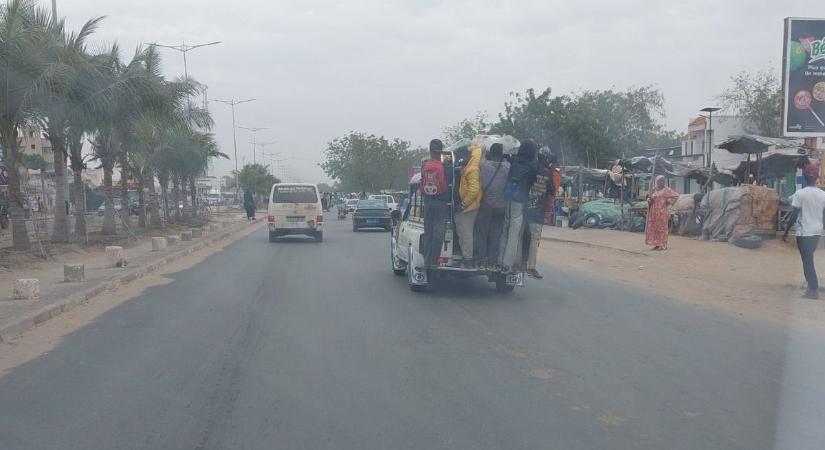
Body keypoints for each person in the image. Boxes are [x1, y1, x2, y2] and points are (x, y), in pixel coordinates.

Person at [783, 164, 825, 299]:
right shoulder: (823, 194)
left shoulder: (799, 194)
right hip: (817, 231)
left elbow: (794, 215)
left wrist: (786, 232)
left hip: (804, 232)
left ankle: (813, 289)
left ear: (805, 177)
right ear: (817, 177)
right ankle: (811, 287)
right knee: (809, 259)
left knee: (807, 261)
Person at [500, 139, 538, 272]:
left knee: (505, 228)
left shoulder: (514, 161)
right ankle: (507, 264)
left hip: (508, 197)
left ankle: (500, 259)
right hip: (520, 200)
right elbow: (532, 183)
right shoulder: (533, 166)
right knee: (514, 233)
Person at [474, 143, 510, 271]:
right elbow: (507, 161)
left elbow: (480, 157)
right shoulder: (507, 167)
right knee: (496, 235)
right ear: (501, 154)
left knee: (482, 234)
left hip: (485, 206)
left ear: (491, 154)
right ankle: (492, 262)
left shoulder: (484, 165)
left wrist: (483, 149)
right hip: (501, 207)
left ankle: (481, 261)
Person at [523, 148, 556, 279]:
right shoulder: (546, 173)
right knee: (534, 240)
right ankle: (531, 267)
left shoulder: (531, 168)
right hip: (537, 211)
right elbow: (552, 190)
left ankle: (517, 263)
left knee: (521, 236)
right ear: (546, 158)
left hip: (525, 208)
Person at [419, 139, 451, 267]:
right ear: (441, 151)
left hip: (428, 203)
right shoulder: (446, 167)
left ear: (430, 150)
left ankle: (427, 261)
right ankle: (434, 261)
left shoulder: (424, 166)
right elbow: (450, 181)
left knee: (428, 232)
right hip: (441, 203)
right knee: (439, 231)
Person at [453, 144, 482, 268]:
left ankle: (468, 259)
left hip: (468, 208)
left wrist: (463, 204)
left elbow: (474, 190)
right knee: (462, 233)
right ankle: (465, 257)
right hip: (465, 207)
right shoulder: (468, 166)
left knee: (466, 234)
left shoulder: (472, 169)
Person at [644, 175, 678, 250]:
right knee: (654, 228)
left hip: (662, 212)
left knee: (662, 228)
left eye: (662, 181)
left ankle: (663, 245)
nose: (661, 182)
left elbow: (676, 196)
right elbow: (648, 197)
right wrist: (649, 200)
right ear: (657, 182)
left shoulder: (667, 190)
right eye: (659, 181)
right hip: (654, 212)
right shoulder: (653, 190)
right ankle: (656, 244)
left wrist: (669, 202)